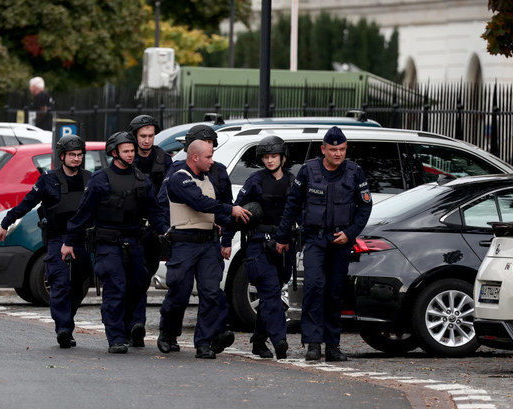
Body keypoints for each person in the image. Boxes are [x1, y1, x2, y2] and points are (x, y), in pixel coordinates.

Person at [61, 131, 168, 354]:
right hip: (108, 243)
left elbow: (155, 211)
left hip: (134, 241)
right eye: (126, 151)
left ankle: (135, 326)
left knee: (138, 283)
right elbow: (83, 213)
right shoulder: (100, 179)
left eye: (132, 150)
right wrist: (69, 241)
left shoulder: (141, 179)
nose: (131, 154)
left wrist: (166, 232)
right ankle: (116, 337)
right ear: (114, 153)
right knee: (115, 287)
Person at [275, 126, 372, 362]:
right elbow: (292, 204)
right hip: (315, 239)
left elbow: (365, 206)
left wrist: (350, 233)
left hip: (340, 241)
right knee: (314, 288)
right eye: (333, 150)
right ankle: (313, 344)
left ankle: (332, 346)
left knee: (335, 292)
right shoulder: (308, 170)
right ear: (323, 149)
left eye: (342, 149)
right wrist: (283, 236)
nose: (338, 154)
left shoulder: (354, 172)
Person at [158, 139, 251, 359]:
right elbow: (199, 202)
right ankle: (168, 333)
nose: (212, 161)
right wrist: (231, 210)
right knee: (179, 293)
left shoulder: (210, 179)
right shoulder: (179, 178)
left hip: (208, 244)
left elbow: (216, 213)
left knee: (210, 293)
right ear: (195, 157)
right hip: (184, 243)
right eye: (208, 156)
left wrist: (237, 221)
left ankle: (204, 342)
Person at [0, 135, 92, 349]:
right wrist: (6, 223)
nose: (76, 159)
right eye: (72, 155)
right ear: (62, 156)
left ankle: (68, 318)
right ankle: (63, 329)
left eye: (79, 155)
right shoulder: (48, 180)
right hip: (57, 239)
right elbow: (27, 203)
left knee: (79, 285)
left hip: (82, 240)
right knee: (59, 283)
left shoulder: (89, 179)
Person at [222, 135, 294, 359]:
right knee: (270, 290)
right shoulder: (255, 180)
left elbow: (300, 212)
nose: (270, 160)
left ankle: (259, 340)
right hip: (258, 244)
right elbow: (237, 212)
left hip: (283, 245)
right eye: (266, 157)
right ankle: (279, 339)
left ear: (282, 157)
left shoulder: (293, 181)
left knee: (270, 293)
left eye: (274, 156)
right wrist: (226, 241)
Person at [127, 114, 173, 278]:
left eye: (151, 136)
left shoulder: (164, 159)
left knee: (148, 270)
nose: (147, 140)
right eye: (143, 136)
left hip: (155, 225)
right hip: (130, 224)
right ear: (135, 136)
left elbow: (171, 193)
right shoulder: (127, 157)